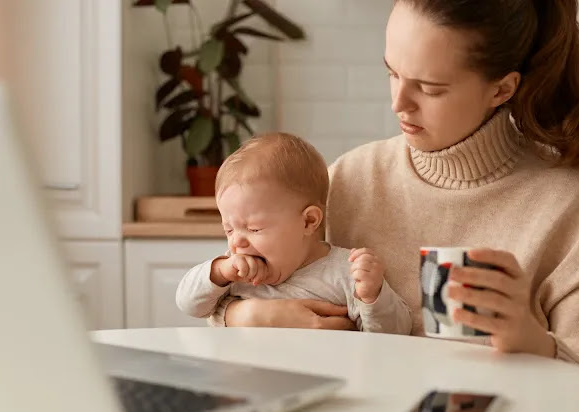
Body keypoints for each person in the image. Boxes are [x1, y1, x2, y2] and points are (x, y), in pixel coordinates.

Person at [210, 0, 579, 372]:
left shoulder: (567, 201)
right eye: (392, 73)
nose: (399, 102)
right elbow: (223, 289)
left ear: (502, 89)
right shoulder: (347, 180)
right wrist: (246, 315)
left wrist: (536, 342)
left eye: (430, 88)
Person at [176, 132, 412, 334]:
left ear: (309, 221)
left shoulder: (345, 272)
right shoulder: (234, 273)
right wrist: (218, 271)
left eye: (254, 228)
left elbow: (394, 334)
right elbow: (188, 305)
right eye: (229, 229)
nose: (237, 241)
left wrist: (373, 296)